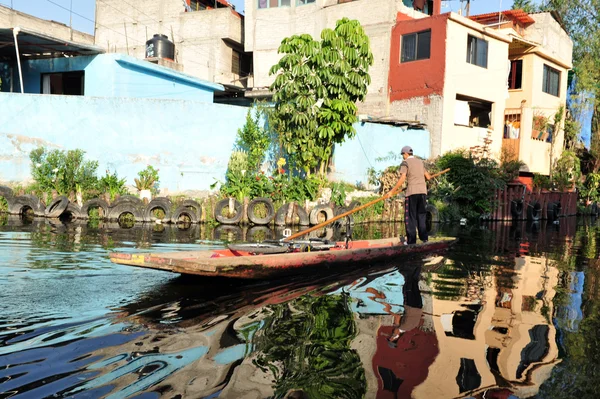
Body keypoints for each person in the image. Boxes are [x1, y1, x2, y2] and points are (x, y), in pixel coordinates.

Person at [392, 145, 431, 245]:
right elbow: (428, 177)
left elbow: (402, 178)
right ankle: (424, 239)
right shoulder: (420, 162)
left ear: (405, 154)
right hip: (422, 192)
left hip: (412, 193)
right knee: (421, 216)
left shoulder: (405, 163)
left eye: (402, 155)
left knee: (410, 218)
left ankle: (411, 242)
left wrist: (392, 191)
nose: (402, 157)